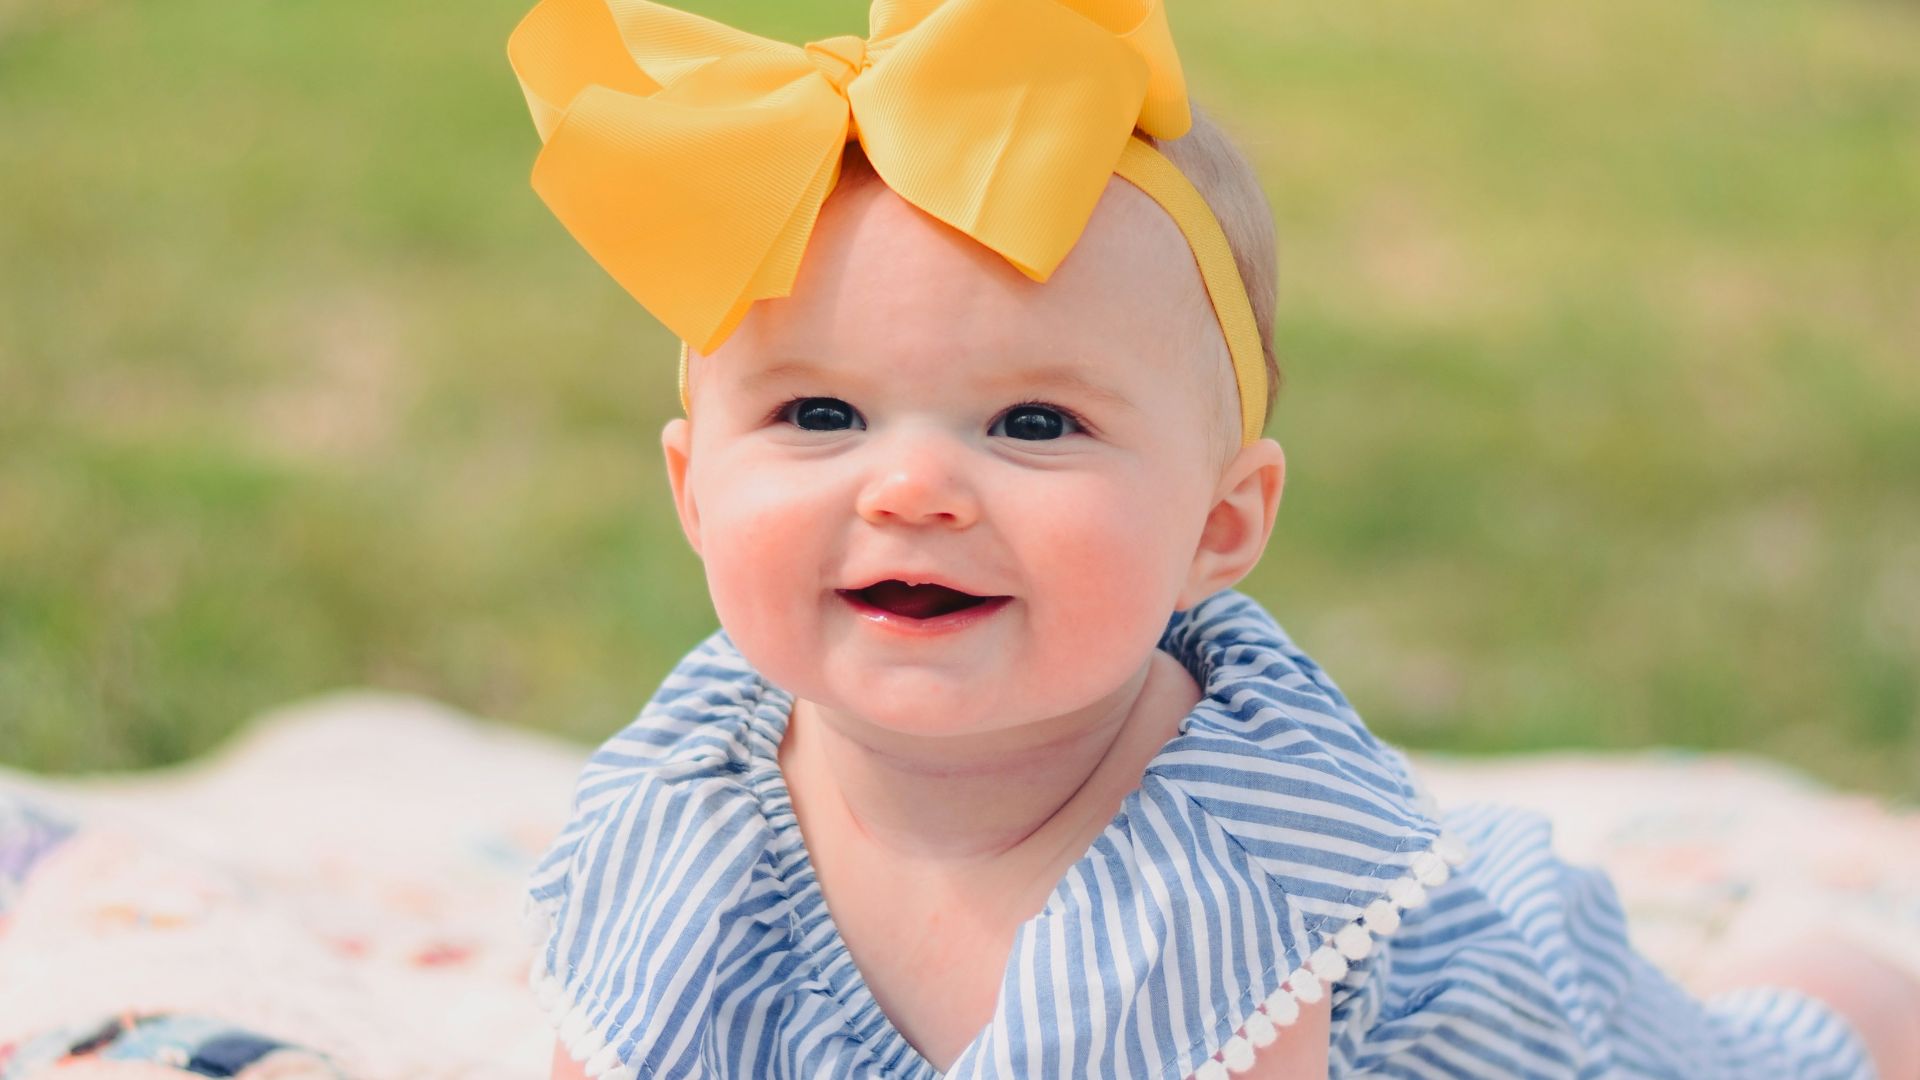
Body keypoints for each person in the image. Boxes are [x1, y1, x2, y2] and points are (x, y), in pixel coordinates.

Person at [505, 0, 1920, 1076]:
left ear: (1219, 526)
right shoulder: (676, 807)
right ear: (693, 492)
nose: (913, 489)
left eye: (1035, 426)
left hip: (1537, 1029)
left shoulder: (1227, 862)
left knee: (1782, 1045)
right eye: (820, 411)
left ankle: (1840, 982)